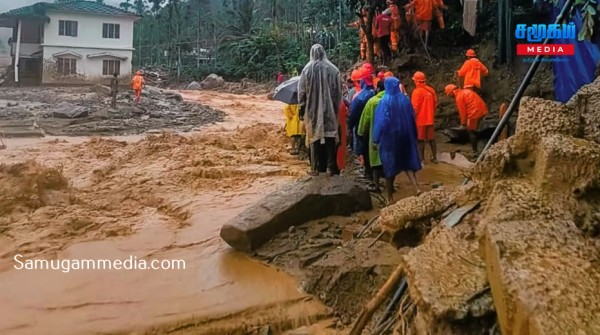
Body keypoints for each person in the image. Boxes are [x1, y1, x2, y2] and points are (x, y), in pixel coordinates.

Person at [373, 77, 422, 202]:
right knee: (407, 161)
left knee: (390, 166)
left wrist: (375, 139)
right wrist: (414, 134)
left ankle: (390, 198)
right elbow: (412, 116)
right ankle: (416, 188)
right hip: (406, 135)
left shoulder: (384, 102)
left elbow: (381, 122)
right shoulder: (405, 99)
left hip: (390, 138)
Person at [298, 44, 342, 176]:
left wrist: (302, 109)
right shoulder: (333, 70)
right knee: (330, 135)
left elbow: (301, 92)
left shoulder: (306, 70)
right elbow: (338, 91)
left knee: (314, 136)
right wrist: (335, 106)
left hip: (312, 109)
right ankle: (331, 166)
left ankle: (316, 168)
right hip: (329, 109)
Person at [444, 84, 488, 157]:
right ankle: (478, 141)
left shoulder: (459, 97)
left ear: (452, 92)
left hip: (474, 112)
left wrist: (463, 124)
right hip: (482, 109)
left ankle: (475, 151)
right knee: (473, 128)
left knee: (470, 131)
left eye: (449, 95)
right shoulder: (465, 91)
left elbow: (463, 112)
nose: (450, 97)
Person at [358, 79, 386, 192]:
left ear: (378, 88)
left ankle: (376, 184)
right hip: (391, 135)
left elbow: (365, 119)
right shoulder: (394, 100)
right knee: (388, 159)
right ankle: (391, 186)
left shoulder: (372, 101)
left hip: (374, 133)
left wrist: (361, 132)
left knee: (375, 159)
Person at [348, 69, 376, 180]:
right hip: (375, 126)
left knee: (364, 151)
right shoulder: (376, 92)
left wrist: (350, 126)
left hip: (362, 127)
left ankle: (368, 173)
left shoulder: (360, 97)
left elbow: (353, 115)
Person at [411, 71, 438, 164]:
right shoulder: (431, 90)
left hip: (420, 120)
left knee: (420, 140)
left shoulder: (416, 92)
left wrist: (411, 119)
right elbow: (435, 103)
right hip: (430, 119)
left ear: (417, 81)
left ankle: (422, 160)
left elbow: (415, 108)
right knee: (432, 139)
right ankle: (435, 158)